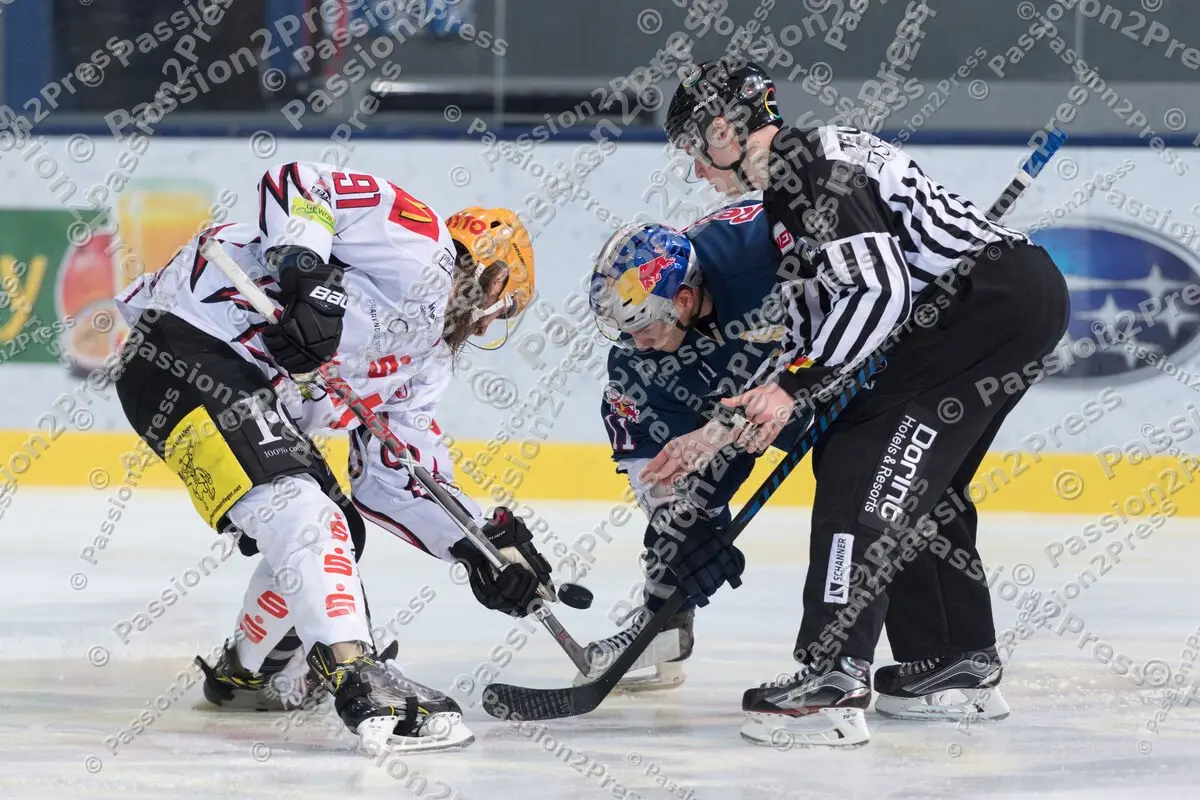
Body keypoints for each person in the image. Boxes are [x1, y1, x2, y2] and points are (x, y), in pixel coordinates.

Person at [633, 58, 1069, 747]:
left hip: (978, 309)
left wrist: (795, 389)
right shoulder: (797, 178)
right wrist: (729, 424)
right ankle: (954, 662)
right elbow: (821, 317)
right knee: (919, 487)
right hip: (1005, 302)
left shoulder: (801, 166)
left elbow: (879, 291)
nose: (695, 168)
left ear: (723, 129)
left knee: (861, 465)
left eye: (694, 147)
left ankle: (831, 678)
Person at [110, 161, 553, 752]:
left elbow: (395, 478)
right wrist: (304, 277)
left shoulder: (427, 364)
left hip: (235, 384)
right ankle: (356, 673)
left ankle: (253, 672)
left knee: (338, 527)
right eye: (502, 308)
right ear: (497, 283)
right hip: (188, 341)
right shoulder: (423, 246)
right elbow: (302, 184)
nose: (481, 328)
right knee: (304, 513)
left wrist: (477, 546)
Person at [582, 198, 807, 691]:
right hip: (737, 407)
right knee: (681, 519)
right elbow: (650, 460)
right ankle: (663, 633)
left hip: (830, 384)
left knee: (858, 511)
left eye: (642, 327)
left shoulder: (757, 258)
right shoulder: (639, 366)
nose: (633, 342)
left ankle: (847, 663)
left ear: (682, 300)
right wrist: (678, 522)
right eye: (625, 328)